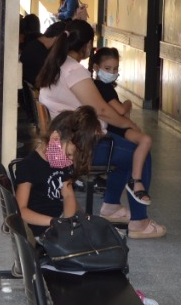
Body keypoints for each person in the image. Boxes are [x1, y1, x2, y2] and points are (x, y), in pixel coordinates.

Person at [36, 21, 167, 239]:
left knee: (126, 150)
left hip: (66, 140)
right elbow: (102, 110)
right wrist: (129, 124)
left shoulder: (55, 65)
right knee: (139, 153)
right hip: (80, 146)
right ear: (87, 45)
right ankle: (139, 222)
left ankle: (112, 207)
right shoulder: (74, 71)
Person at [13, 107, 103, 236]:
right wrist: (55, 222)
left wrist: (68, 223)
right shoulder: (28, 166)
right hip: (45, 229)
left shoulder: (60, 161)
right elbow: (21, 210)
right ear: (55, 138)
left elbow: (68, 195)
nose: (70, 162)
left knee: (100, 235)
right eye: (69, 154)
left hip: (61, 223)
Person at [90, 47, 153, 205]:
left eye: (115, 68)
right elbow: (120, 110)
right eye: (107, 68)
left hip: (113, 127)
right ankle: (136, 180)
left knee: (141, 143)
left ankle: (114, 201)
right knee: (145, 141)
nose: (112, 72)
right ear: (96, 67)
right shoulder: (103, 87)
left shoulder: (95, 85)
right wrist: (128, 103)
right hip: (115, 127)